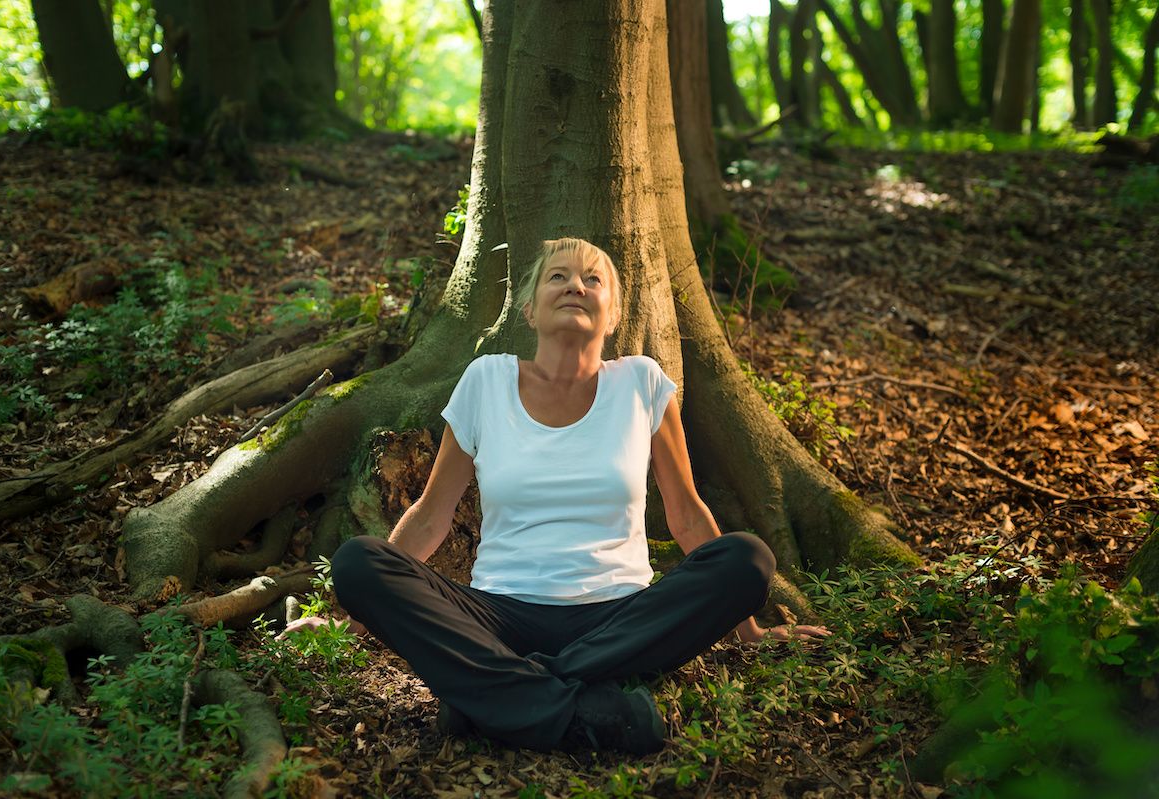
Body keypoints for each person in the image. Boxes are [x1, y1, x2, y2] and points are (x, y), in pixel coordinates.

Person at [282, 238, 829, 754]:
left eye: (593, 278)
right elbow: (431, 514)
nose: (576, 285)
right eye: (558, 276)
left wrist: (749, 632)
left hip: (618, 615)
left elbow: (686, 515)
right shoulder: (485, 381)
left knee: (746, 557)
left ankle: (497, 697)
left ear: (612, 314)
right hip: (497, 615)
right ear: (529, 309)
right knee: (359, 561)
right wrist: (351, 618)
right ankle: (587, 708)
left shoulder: (642, 383)